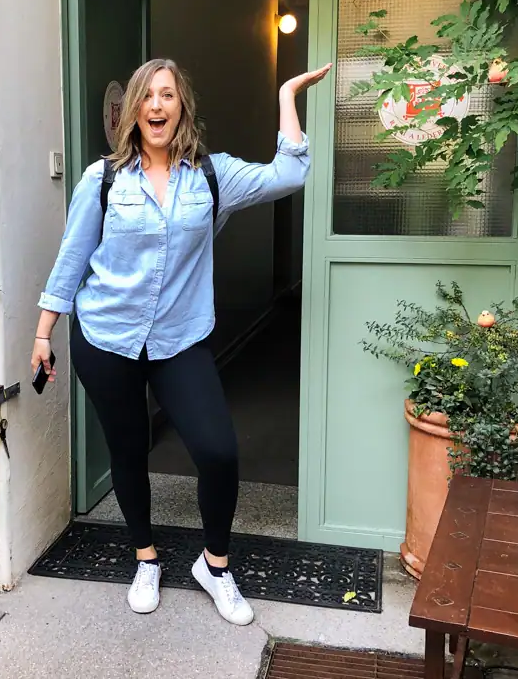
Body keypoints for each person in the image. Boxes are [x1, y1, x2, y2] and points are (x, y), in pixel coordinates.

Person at [31, 58, 331, 625]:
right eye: (148, 96)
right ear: (134, 111)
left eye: (167, 95)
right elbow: (71, 260)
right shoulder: (103, 180)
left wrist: (289, 93)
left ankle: (214, 565)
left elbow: (289, 175)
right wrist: (45, 334)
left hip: (179, 339)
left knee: (218, 450)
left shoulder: (211, 176)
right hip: (107, 337)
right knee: (127, 449)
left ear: (181, 107)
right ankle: (146, 557)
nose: (157, 106)